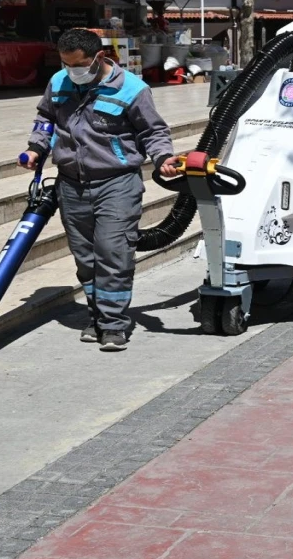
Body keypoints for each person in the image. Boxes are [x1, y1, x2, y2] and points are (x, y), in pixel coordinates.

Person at [20, 28, 176, 352]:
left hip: (117, 183)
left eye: (78, 65)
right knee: (86, 258)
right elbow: (46, 118)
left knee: (113, 253)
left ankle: (114, 324)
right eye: (66, 64)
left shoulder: (132, 89)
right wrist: (36, 148)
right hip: (71, 184)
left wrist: (162, 157)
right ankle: (97, 317)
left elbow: (153, 131)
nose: (71, 71)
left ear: (99, 57)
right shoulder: (59, 82)